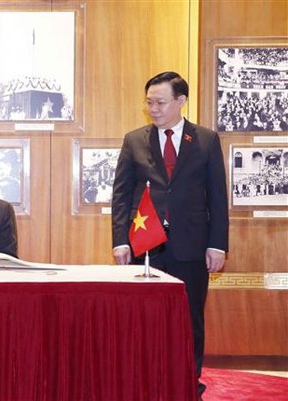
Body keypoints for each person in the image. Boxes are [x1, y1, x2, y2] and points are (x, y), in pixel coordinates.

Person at [111, 71, 229, 401]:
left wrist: (217, 243)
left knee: (189, 318)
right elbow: (121, 195)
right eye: (149, 102)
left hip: (191, 245)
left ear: (181, 101)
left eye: (160, 102)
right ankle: (143, 381)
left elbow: (217, 196)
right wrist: (120, 240)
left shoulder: (205, 140)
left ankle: (188, 382)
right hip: (145, 244)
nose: (153, 109)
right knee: (142, 319)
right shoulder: (135, 139)